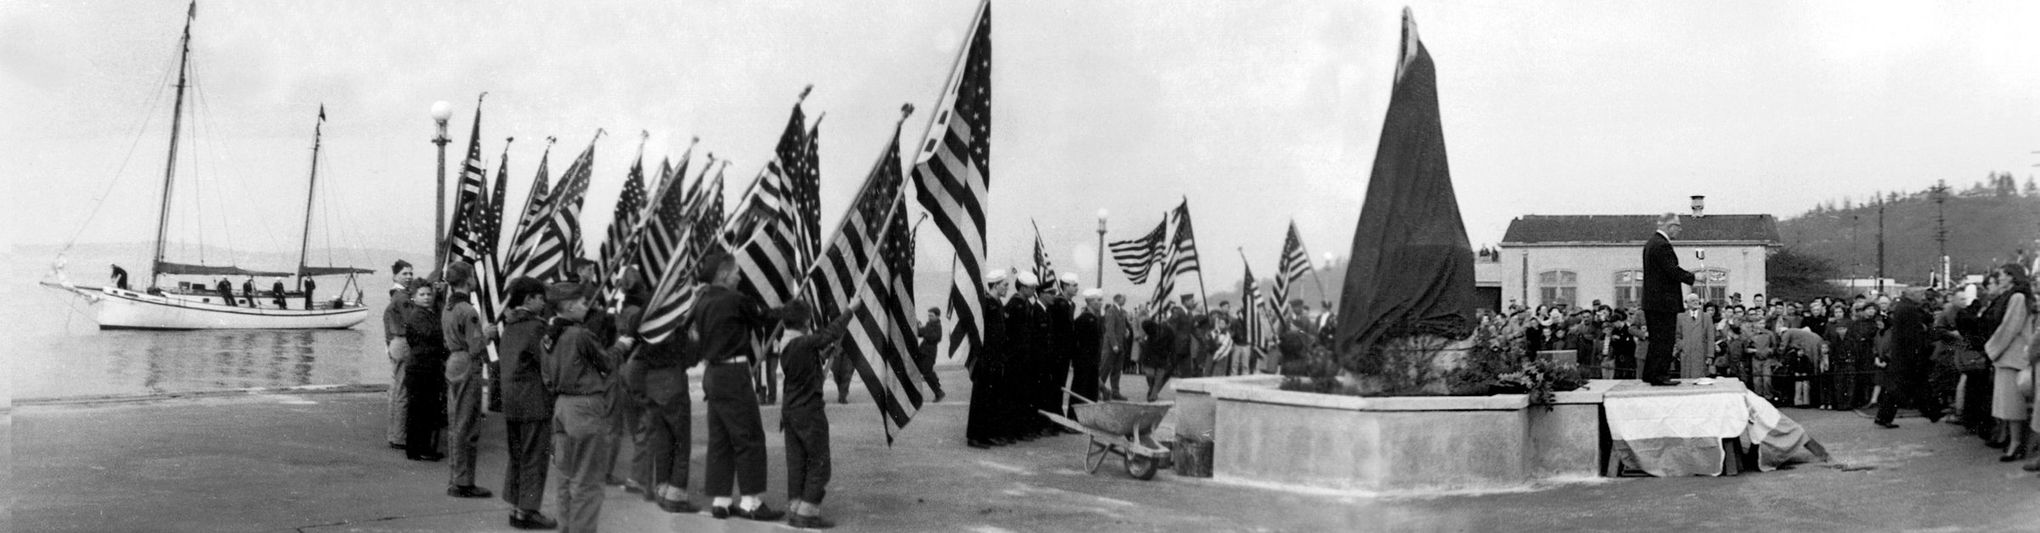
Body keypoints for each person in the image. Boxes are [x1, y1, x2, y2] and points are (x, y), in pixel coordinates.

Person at [690, 250, 787, 521]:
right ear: (723, 274)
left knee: (720, 438)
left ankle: (721, 502)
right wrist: (787, 310)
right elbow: (763, 318)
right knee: (749, 437)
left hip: (713, 374)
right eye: (736, 272)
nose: (740, 276)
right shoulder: (736, 300)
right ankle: (751, 503)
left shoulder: (702, 301)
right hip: (734, 373)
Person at [542, 281, 637, 532]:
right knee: (588, 480)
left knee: (565, 477)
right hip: (584, 406)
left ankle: (566, 528)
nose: (587, 306)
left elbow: (547, 377)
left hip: (561, 406)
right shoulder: (580, 335)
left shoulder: (549, 336)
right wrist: (620, 347)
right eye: (583, 303)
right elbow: (605, 363)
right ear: (570, 306)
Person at [778, 299, 858, 530]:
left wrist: (822, 356)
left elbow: (805, 362)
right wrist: (849, 311)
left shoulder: (788, 342)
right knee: (819, 462)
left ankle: (795, 506)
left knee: (797, 462)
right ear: (805, 321)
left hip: (791, 410)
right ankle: (808, 510)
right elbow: (828, 333)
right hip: (809, 410)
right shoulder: (801, 343)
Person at [497, 277, 558, 530]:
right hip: (533, 401)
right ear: (528, 299)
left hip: (511, 401)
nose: (543, 303)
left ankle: (516, 507)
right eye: (540, 298)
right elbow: (549, 365)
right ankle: (527, 512)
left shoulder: (510, 326)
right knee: (534, 456)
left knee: (517, 456)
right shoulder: (536, 328)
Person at [439, 261, 495, 499]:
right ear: (467, 279)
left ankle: (457, 477)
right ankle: (463, 481)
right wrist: (487, 335)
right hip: (466, 364)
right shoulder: (468, 311)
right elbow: (475, 347)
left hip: (453, 361)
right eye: (472, 276)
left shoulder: (448, 308)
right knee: (467, 424)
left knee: (455, 423)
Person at [1981, 263, 2034, 462]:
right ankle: (2012, 440)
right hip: (2010, 356)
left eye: (2002, 275)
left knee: (2012, 405)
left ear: (2012, 277)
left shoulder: (2017, 298)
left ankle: (2015, 443)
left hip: (2012, 357)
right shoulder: (2016, 296)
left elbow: (2009, 327)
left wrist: (1992, 348)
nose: (2000, 278)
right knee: (2008, 404)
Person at [1875, 289, 1944, 428]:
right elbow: (1914, 333)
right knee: (1912, 386)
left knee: (1905, 387)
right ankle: (1932, 412)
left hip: (1902, 355)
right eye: (1919, 293)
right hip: (1909, 356)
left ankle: (1884, 416)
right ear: (1911, 295)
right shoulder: (1909, 309)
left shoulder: (1902, 308)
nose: (1922, 296)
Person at [1640, 212, 1696, 386]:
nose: (1679, 231)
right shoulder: (1663, 245)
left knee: (1656, 340)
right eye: (1678, 227)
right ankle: (1660, 375)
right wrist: (1693, 278)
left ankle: (1650, 373)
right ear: (1670, 226)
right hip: (1664, 303)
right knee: (1665, 339)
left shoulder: (1651, 243)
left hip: (1653, 302)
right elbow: (1672, 270)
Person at [399, 278, 447, 462]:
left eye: (429, 294)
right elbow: (429, 336)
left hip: (427, 365)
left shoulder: (427, 314)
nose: (427, 297)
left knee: (425, 410)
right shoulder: (418, 316)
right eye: (422, 294)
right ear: (414, 297)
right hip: (421, 366)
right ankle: (417, 449)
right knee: (420, 410)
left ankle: (420, 447)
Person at [966, 269, 1013, 449]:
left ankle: (986, 434)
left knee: (991, 398)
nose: (1007, 287)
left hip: (996, 358)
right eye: (1004, 284)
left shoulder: (997, 303)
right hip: (985, 358)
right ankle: (974, 437)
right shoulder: (986, 303)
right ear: (994, 285)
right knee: (981, 398)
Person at [384, 259, 416, 451]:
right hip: (403, 343)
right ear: (395, 275)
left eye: (411, 273)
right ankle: (399, 436)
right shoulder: (402, 297)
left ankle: (394, 433)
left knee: (396, 390)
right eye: (405, 273)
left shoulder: (395, 295)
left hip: (395, 342)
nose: (409, 277)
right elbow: (410, 321)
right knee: (402, 391)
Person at [1068, 288, 1104, 417]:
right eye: (1098, 300)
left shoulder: (1093, 318)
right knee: (1080, 390)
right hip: (1084, 361)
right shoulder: (1085, 319)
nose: (1101, 303)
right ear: (1091, 302)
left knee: (1090, 391)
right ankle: (1075, 418)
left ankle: (1086, 417)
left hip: (1091, 360)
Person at [1100, 294, 1132, 400]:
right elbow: (1110, 329)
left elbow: (1120, 327)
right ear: (1117, 299)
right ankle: (1099, 390)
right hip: (1111, 346)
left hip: (1120, 345)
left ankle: (1115, 392)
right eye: (1123, 298)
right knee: (1105, 369)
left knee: (1117, 370)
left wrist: (1125, 332)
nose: (1125, 300)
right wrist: (1114, 344)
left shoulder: (1121, 312)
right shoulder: (1111, 311)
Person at [1675, 294, 1715, 379]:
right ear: (1687, 303)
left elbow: (1711, 337)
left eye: (1697, 300)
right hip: (1686, 354)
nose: (1695, 302)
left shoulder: (1706, 317)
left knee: (1700, 380)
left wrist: (1710, 355)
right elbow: (1678, 335)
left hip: (1701, 354)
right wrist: (1682, 346)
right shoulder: (1680, 317)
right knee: (1686, 380)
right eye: (1693, 300)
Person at [916, 307, 946, 403]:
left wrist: (922, 330)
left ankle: (939, 392)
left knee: (927, 373)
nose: (929, 317)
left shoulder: (938, 326)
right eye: (929, 315)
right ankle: (937, 387)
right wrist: (917, 326)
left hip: (929, 353)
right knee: (925, 372)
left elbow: (935, 337)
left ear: (937, 316)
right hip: (923, 352)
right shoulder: (929, 324)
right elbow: (920, 334)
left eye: (931, 315)